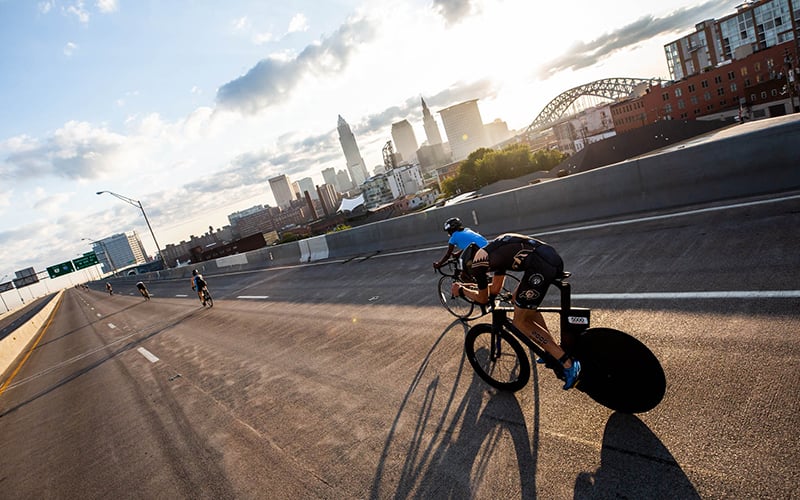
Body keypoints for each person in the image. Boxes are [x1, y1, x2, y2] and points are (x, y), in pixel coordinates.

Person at [451, 233, 581, 390]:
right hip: (547, 258)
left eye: (469, 276)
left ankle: (568, 363)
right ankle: (550, 349)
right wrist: (474, 289)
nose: (473, 277)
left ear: (469, 266)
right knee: (519, 302)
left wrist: (462, 290)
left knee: (519, 322)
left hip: (541, 266)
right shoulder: (491, 252)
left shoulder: (478, 265)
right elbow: (495, 289)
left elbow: (483, 299)